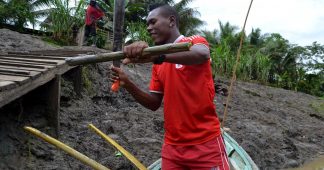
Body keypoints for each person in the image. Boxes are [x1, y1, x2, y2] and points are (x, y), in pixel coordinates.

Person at [111, 4, 230, 170]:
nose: (149, 28)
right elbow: (153, 103)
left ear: (171, 21)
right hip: (172, 149)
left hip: (206, 145)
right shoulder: (158, 64)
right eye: (147, 24)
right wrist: (128, 84)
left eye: (153, 22)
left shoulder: (193, 42)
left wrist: (159, 56)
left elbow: (201, 54)